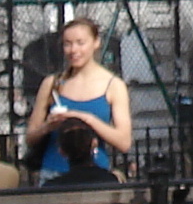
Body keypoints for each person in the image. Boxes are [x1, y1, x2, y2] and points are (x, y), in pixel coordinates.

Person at [23, 17, 135, 179]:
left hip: (95, 173)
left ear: (96, 42)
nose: (73, 50)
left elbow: (124, 142)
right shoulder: (51, 84)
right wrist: (48, 126)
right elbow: (30, 137)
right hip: (52, 173)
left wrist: (87, 119)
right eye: (67, 44)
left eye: (80, 43)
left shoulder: (113, 85)